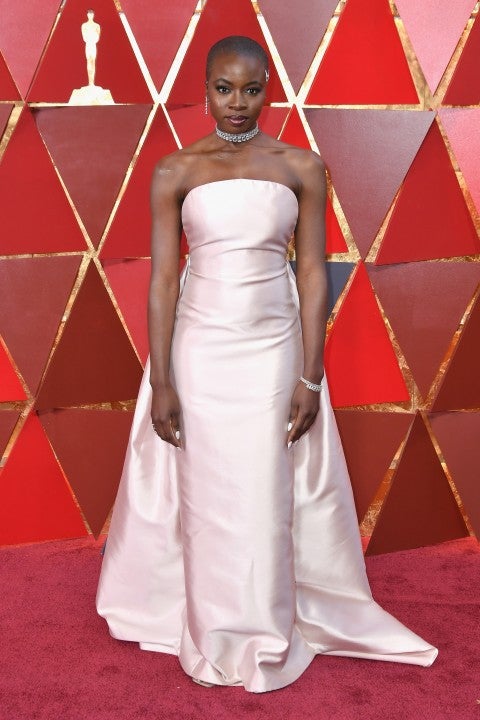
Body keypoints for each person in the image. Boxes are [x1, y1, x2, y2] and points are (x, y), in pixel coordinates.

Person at [96, 35, 437, 693]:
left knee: (262, 488)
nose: (237, 103)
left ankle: (264, 624)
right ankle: (211, 626)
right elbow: (162, 280)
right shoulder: (174, 170)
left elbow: (311, 273)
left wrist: (311, 374)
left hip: (274, 347)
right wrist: (162, 379)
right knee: (208, 491)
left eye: (251, 90)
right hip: (199, 347)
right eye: (224, 89)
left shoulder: (301, 166)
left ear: (268, 93)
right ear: (204, 91)